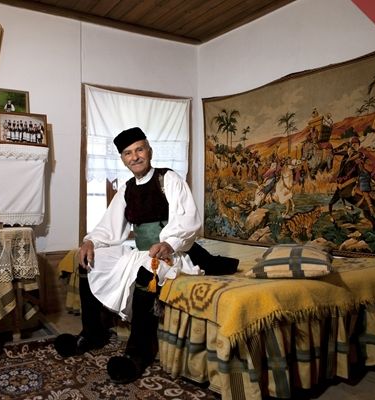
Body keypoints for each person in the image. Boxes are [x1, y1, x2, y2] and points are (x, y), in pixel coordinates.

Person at [53, 127, 238, 384]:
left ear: (149, 151)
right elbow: (109, 226)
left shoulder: (168, 179)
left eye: (139, 150)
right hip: (141, 251)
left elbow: (187, 219)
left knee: (145, 274)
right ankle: (93, 334)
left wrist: (169, 243)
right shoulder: (127, 189)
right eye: (128, 153)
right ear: (123, 159)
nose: (135, 157)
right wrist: (90, 241)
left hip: (173, 253)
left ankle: (138, 353)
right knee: (89, 261)